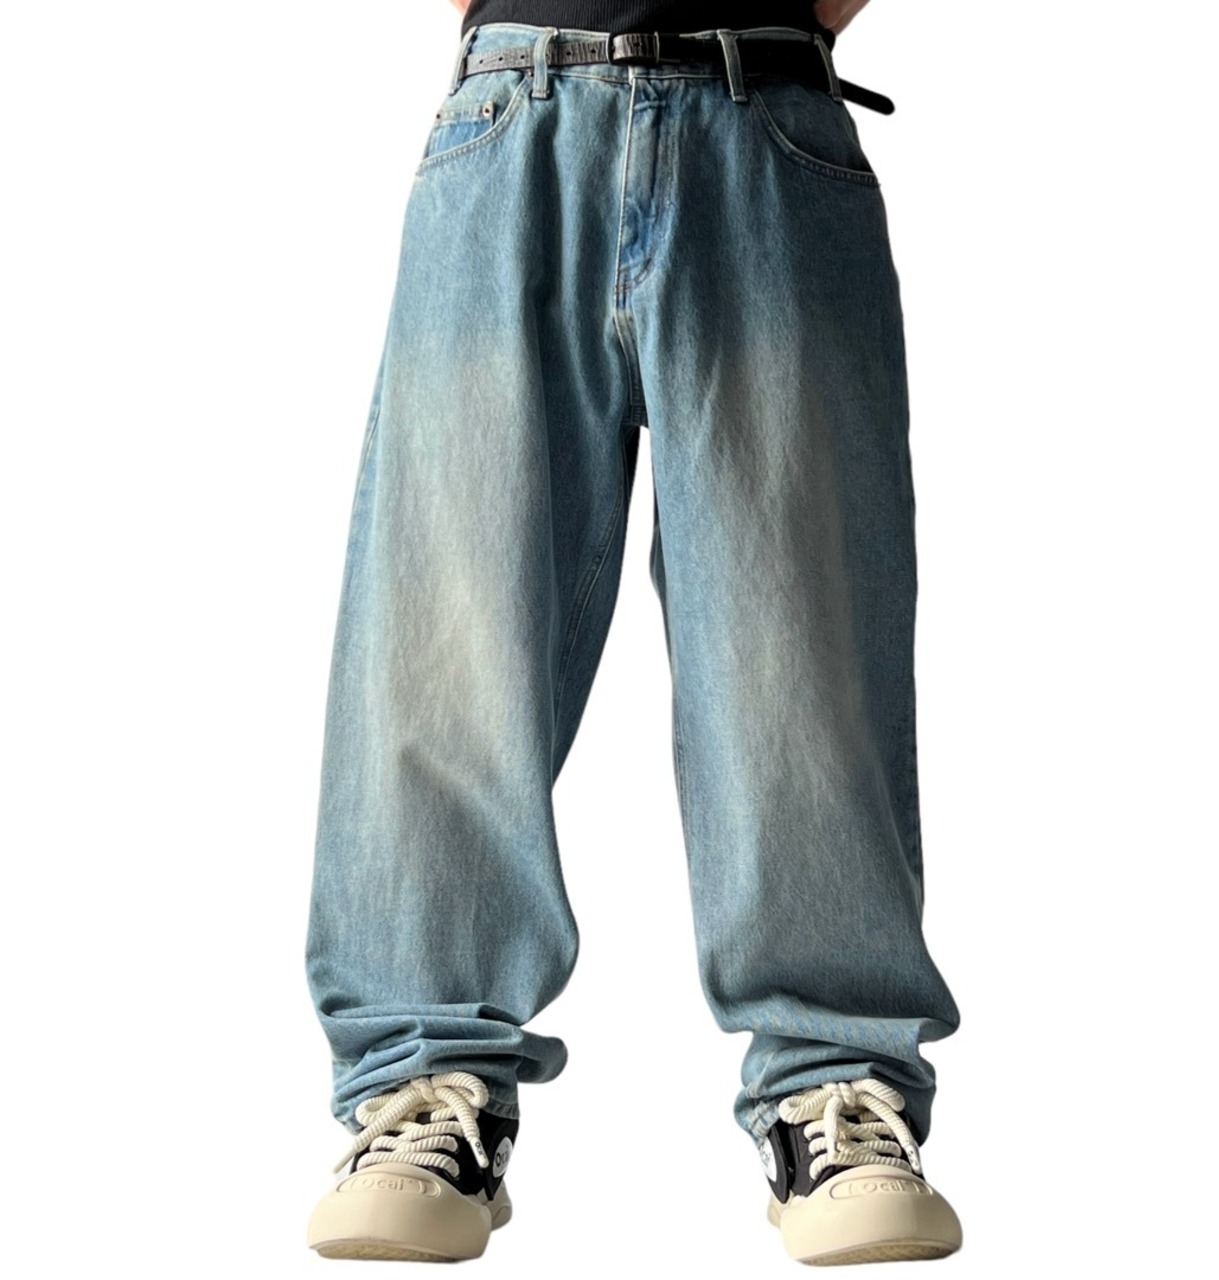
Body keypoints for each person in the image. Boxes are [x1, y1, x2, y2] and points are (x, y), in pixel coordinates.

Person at [304, 0, 962, 1265]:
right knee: (448, 633)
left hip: (768, 117)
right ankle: (421, 1085)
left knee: (797, 649)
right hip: (514, 114)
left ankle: (833, 1086)